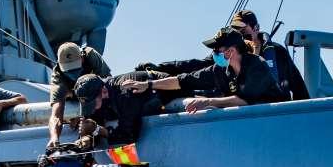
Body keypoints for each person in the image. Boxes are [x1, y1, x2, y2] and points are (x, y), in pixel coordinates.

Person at [122, 27, 285, 113]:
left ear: (230, 52)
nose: (213, 54)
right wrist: (148, 84)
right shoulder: (220, 70)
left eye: (216, 50)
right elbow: (182, 81)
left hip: (276, 117)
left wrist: (207, 101)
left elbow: (245, 100)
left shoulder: (257, 66)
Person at [70, 69, 166, 146]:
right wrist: (86, 137)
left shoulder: (126, 93)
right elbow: (94, 118)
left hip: (166, 94)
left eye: (92, 104)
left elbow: (129, 136)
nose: (93, 108)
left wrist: (99, 130)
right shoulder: (102, 93)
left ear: (104, 92)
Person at [231, 9, 309, 100]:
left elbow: (298, 86)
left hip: (277, 107)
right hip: (249, 107)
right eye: (236, 33)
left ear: (256, 28)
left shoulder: (278, 52)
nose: (240, 36)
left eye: (243, 31)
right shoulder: (232, 56)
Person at [48, 42, 111, 146]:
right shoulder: (58, 76)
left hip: (95, 95)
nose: (73, 72)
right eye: (68, 70)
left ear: (82, 57)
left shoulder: (91, 55)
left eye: (75, 67)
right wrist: (54, 137)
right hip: (76, 97)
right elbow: (56, 114)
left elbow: (107, 84)